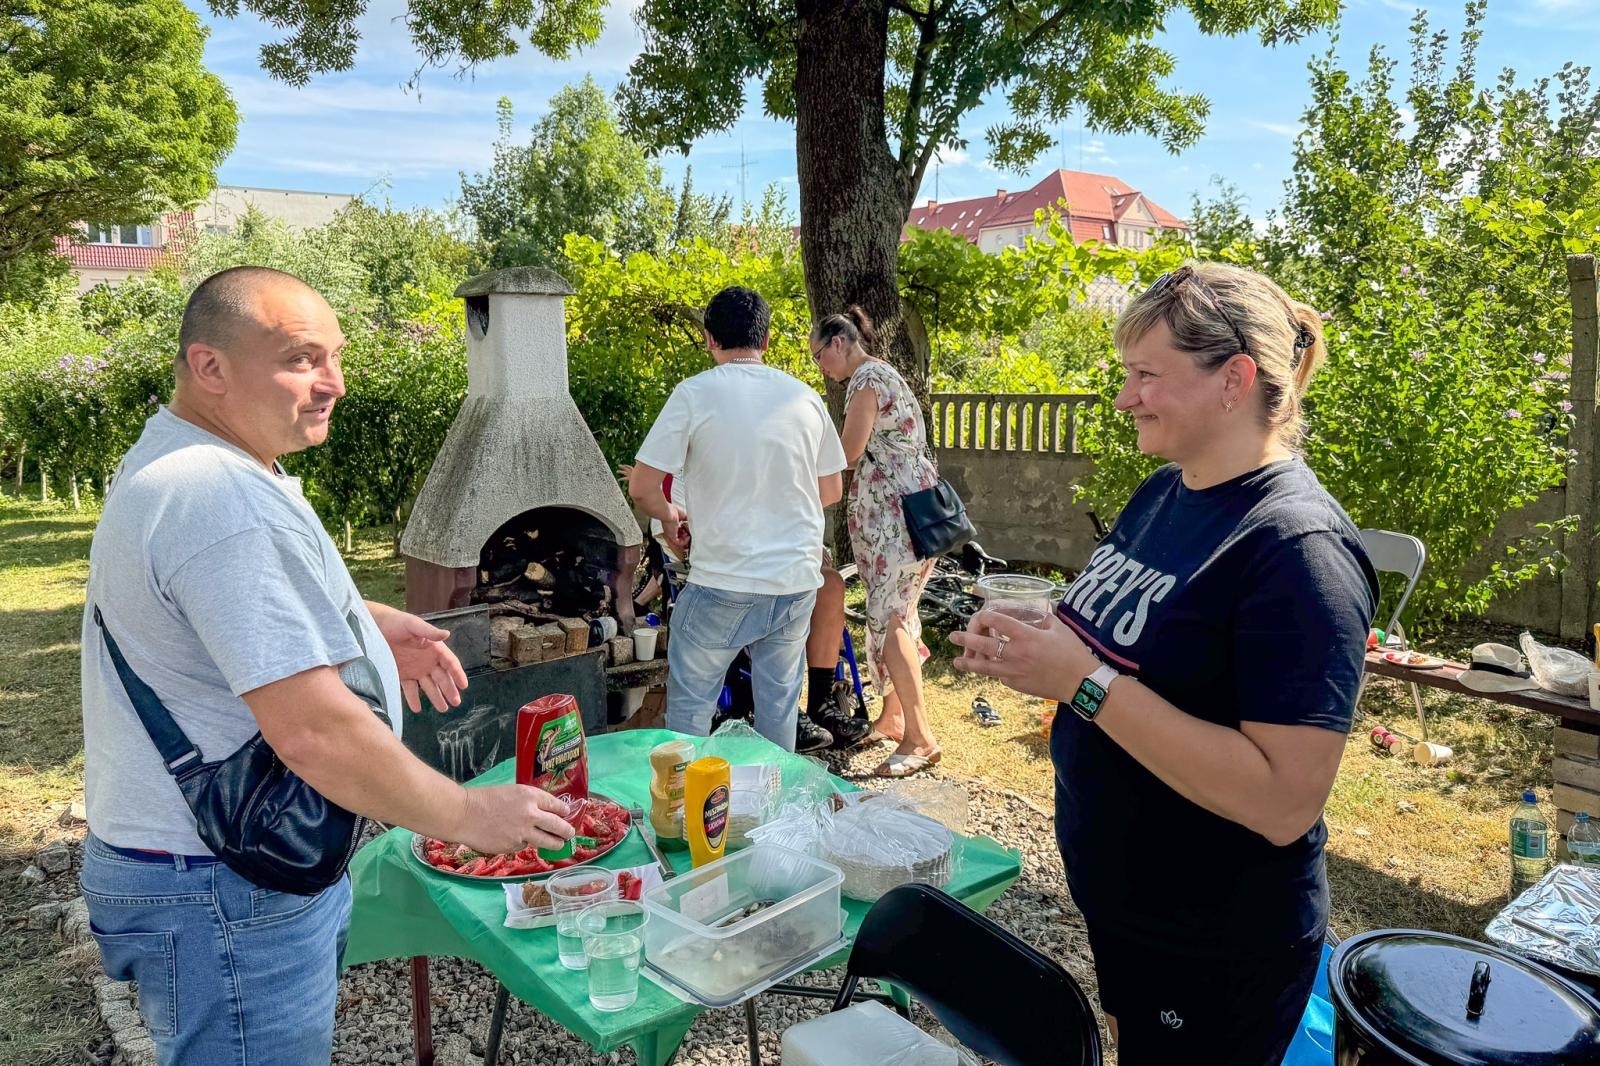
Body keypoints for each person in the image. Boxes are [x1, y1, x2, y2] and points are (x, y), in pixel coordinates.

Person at [79, 267, 575, 1065]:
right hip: (224, 881)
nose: (333, 383)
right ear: (210, 367)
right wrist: (470, 817)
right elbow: (314, 734)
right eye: (302, 359)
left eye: (335, 357)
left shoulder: (194, 459)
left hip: (214, 866)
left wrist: (369, 629)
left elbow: (218, 615)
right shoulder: (216, 497)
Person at [951, 263, 1378, 1064]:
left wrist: (1079, 680)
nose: (1124, 397)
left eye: (1147, 376)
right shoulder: (1164, 493)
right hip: (1133, 913)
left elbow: (1285, 799)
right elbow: (1126, 640)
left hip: (1216, 940)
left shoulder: (1296, 550)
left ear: (1235, 380)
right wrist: (1038, 632)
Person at [629, 287, 847, 751]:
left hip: (723, 583)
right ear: (766, 341)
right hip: (795, 584)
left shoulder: (693, 394)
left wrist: (671, 517)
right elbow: (830, 490)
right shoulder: (806, 399)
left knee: (689, 712)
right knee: (778, 714)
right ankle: (772, 814)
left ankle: (684, 814)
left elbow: (642, 487)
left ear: (709, 339)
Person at [620, 467, 868, 751]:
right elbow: (673, 535)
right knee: (757, 594)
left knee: (830, 585)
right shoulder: (681, 468)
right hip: (718, 574)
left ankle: (821, 702)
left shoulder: (754, 454)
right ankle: (781, 715)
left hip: (773, 563)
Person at [810, 307, 942, 777]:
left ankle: (920, 738)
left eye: (818, 355)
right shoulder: (885, 375)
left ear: (838, 342)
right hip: (906, 519)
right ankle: (893, 718)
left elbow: (847, 453)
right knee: (895, 618)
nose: (820, 365)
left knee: (890, 623)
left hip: (895, 524)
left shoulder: (867, 381)